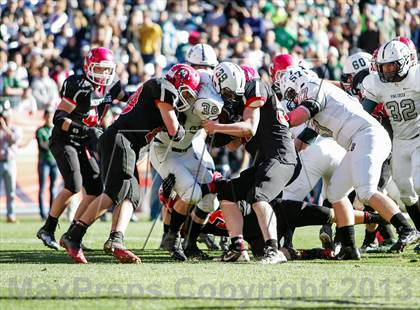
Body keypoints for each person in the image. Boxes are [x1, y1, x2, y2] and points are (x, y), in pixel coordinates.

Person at [60, 64, 199, 264]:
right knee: (115, 192)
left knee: (132, 194)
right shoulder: (162, 86)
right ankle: (74, 235)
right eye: (185, 91)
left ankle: (116, 239)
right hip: (121, 139)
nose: (187, 97)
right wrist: (183, 127)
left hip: (124, 142)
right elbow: (174, 131)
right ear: (177, 82)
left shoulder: (159, 89)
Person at [279, 66, 419, 259]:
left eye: (291, 94)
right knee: (335, 192)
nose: (293, 99)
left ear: (296, 85)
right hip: (358, 141)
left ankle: (406, 228)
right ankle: (348, 246)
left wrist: (281, 121)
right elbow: (302, 141)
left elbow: (301, 114)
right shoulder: (318, 96)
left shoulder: (313, 87)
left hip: (367, 136)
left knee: (366, 190)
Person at [203, 62, 297, 264]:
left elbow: (250, 128)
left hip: (280, 157)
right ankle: (238, 247)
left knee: (258, 196)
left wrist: (215, 127)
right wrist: (224, 126)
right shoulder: (241, 104)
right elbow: (232, 145)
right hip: (265, 162)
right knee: (227, 193)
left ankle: (274, 251)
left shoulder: (255, 86)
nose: (230, 98)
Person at [36, 47, 125, 251]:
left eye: (106, 70)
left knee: (95, 189)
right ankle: (48, 228)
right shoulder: (78, 85)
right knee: (74, 185)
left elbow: (130, 99)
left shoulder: (111, 87)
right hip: (65, 140)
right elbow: (58, 118)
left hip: (85, 142)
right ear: (88, 66)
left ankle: (72, 234)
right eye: (99, 69)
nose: (103, 74)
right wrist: (85, 128)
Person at [153, 68, 224, 261]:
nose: (182, 94)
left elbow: (211, 129)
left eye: (187, 91)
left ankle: (190, 243)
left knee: (211, 201)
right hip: (164, 151)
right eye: (180, 90)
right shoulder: (164, 100)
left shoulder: (204, 101)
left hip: (188, 151)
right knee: (193, 194)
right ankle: (172, 237)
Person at [362, 40, 420, 235]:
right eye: (383, 65)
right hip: (400, 141)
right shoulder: (377, 84)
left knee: (419, 184)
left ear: (404, 62)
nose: (386, 70)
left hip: (419, 136)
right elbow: (364, 112)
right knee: (405, 191)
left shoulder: (415, 77)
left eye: (391, 65)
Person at [35, 108, 58, 220]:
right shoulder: (40, 130)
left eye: (51, 116)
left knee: (53, 189)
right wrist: (52, 143)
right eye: (48, 116)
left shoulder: (55, 130)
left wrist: (50, 143)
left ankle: (51, 213)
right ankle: (42, 213)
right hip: (44, 162)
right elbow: (42, 146)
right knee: (43, 188)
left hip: (55, 162)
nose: (49, 118)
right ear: (44, 117)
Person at [0, 106, 21, 223]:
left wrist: (5, 128)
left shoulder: (15, 129)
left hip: (10, 162)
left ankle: (11, 214)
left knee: (11, 192)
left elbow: (14, 140)